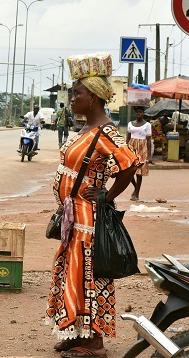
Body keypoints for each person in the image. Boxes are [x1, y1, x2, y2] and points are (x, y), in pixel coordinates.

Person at [46, 70, 140, 358]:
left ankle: (95, 343)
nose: (72, 99)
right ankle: (77, 333)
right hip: (73, 216)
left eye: (77, 94)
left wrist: (106, 195)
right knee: (73, 273)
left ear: (94, 98)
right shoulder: (86, 129)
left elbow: (129, 165)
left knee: (89, 274)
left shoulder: (106, 132)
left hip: (88, 218)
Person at [126, 106, 152, 202]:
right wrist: (125, 148)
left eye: (140, 112)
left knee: (139, 172)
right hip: (131, 147)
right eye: (137, 112)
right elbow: (128, 137)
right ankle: (136, 187)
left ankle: (136, 193)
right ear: (135, 113)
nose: (139, 114)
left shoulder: (147, 125)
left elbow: (149, 140)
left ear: (143, 113)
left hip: (142, 148)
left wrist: (149, 155)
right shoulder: (130, 124)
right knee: (129, 170)